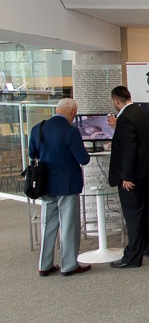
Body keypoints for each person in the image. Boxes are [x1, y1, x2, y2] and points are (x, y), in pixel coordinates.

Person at [30, 98, 92, 277]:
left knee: (47, 225)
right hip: (67, 184)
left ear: (56, 109)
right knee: (69, 225)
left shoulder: (38, 128)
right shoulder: (71, 131)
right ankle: (69, 265)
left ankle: (45, 265)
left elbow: (32, 154)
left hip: (45, 183)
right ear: (73, 113)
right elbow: (83, 159)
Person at [108, 86, 149, 269]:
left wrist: (127, 176)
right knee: (148, 211)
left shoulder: (124, 118)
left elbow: (129, 149)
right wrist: (118, 127)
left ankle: (132, 257)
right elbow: (139, 141)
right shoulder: (143, 114)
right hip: (147, 172)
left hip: (133, 177)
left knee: (133, 216)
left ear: (116, 100)